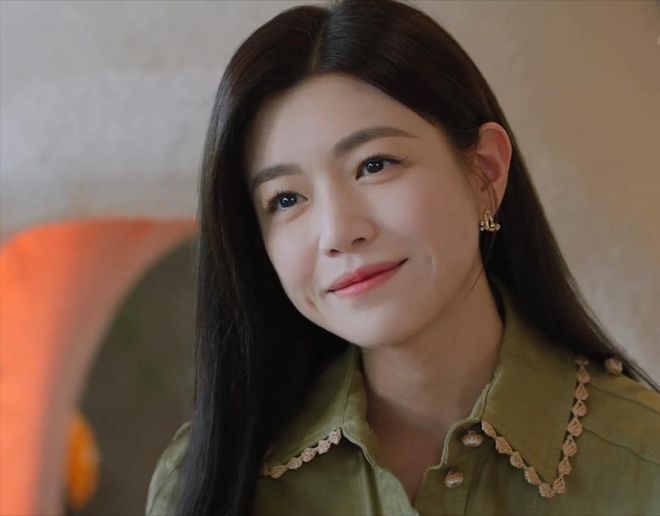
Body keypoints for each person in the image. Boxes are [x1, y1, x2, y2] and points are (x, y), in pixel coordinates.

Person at [145, 0, 660, 514]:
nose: (339, 232)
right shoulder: (205, 481)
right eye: (285, 199)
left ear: (485, 170)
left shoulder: (645, 462)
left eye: (374, 165)